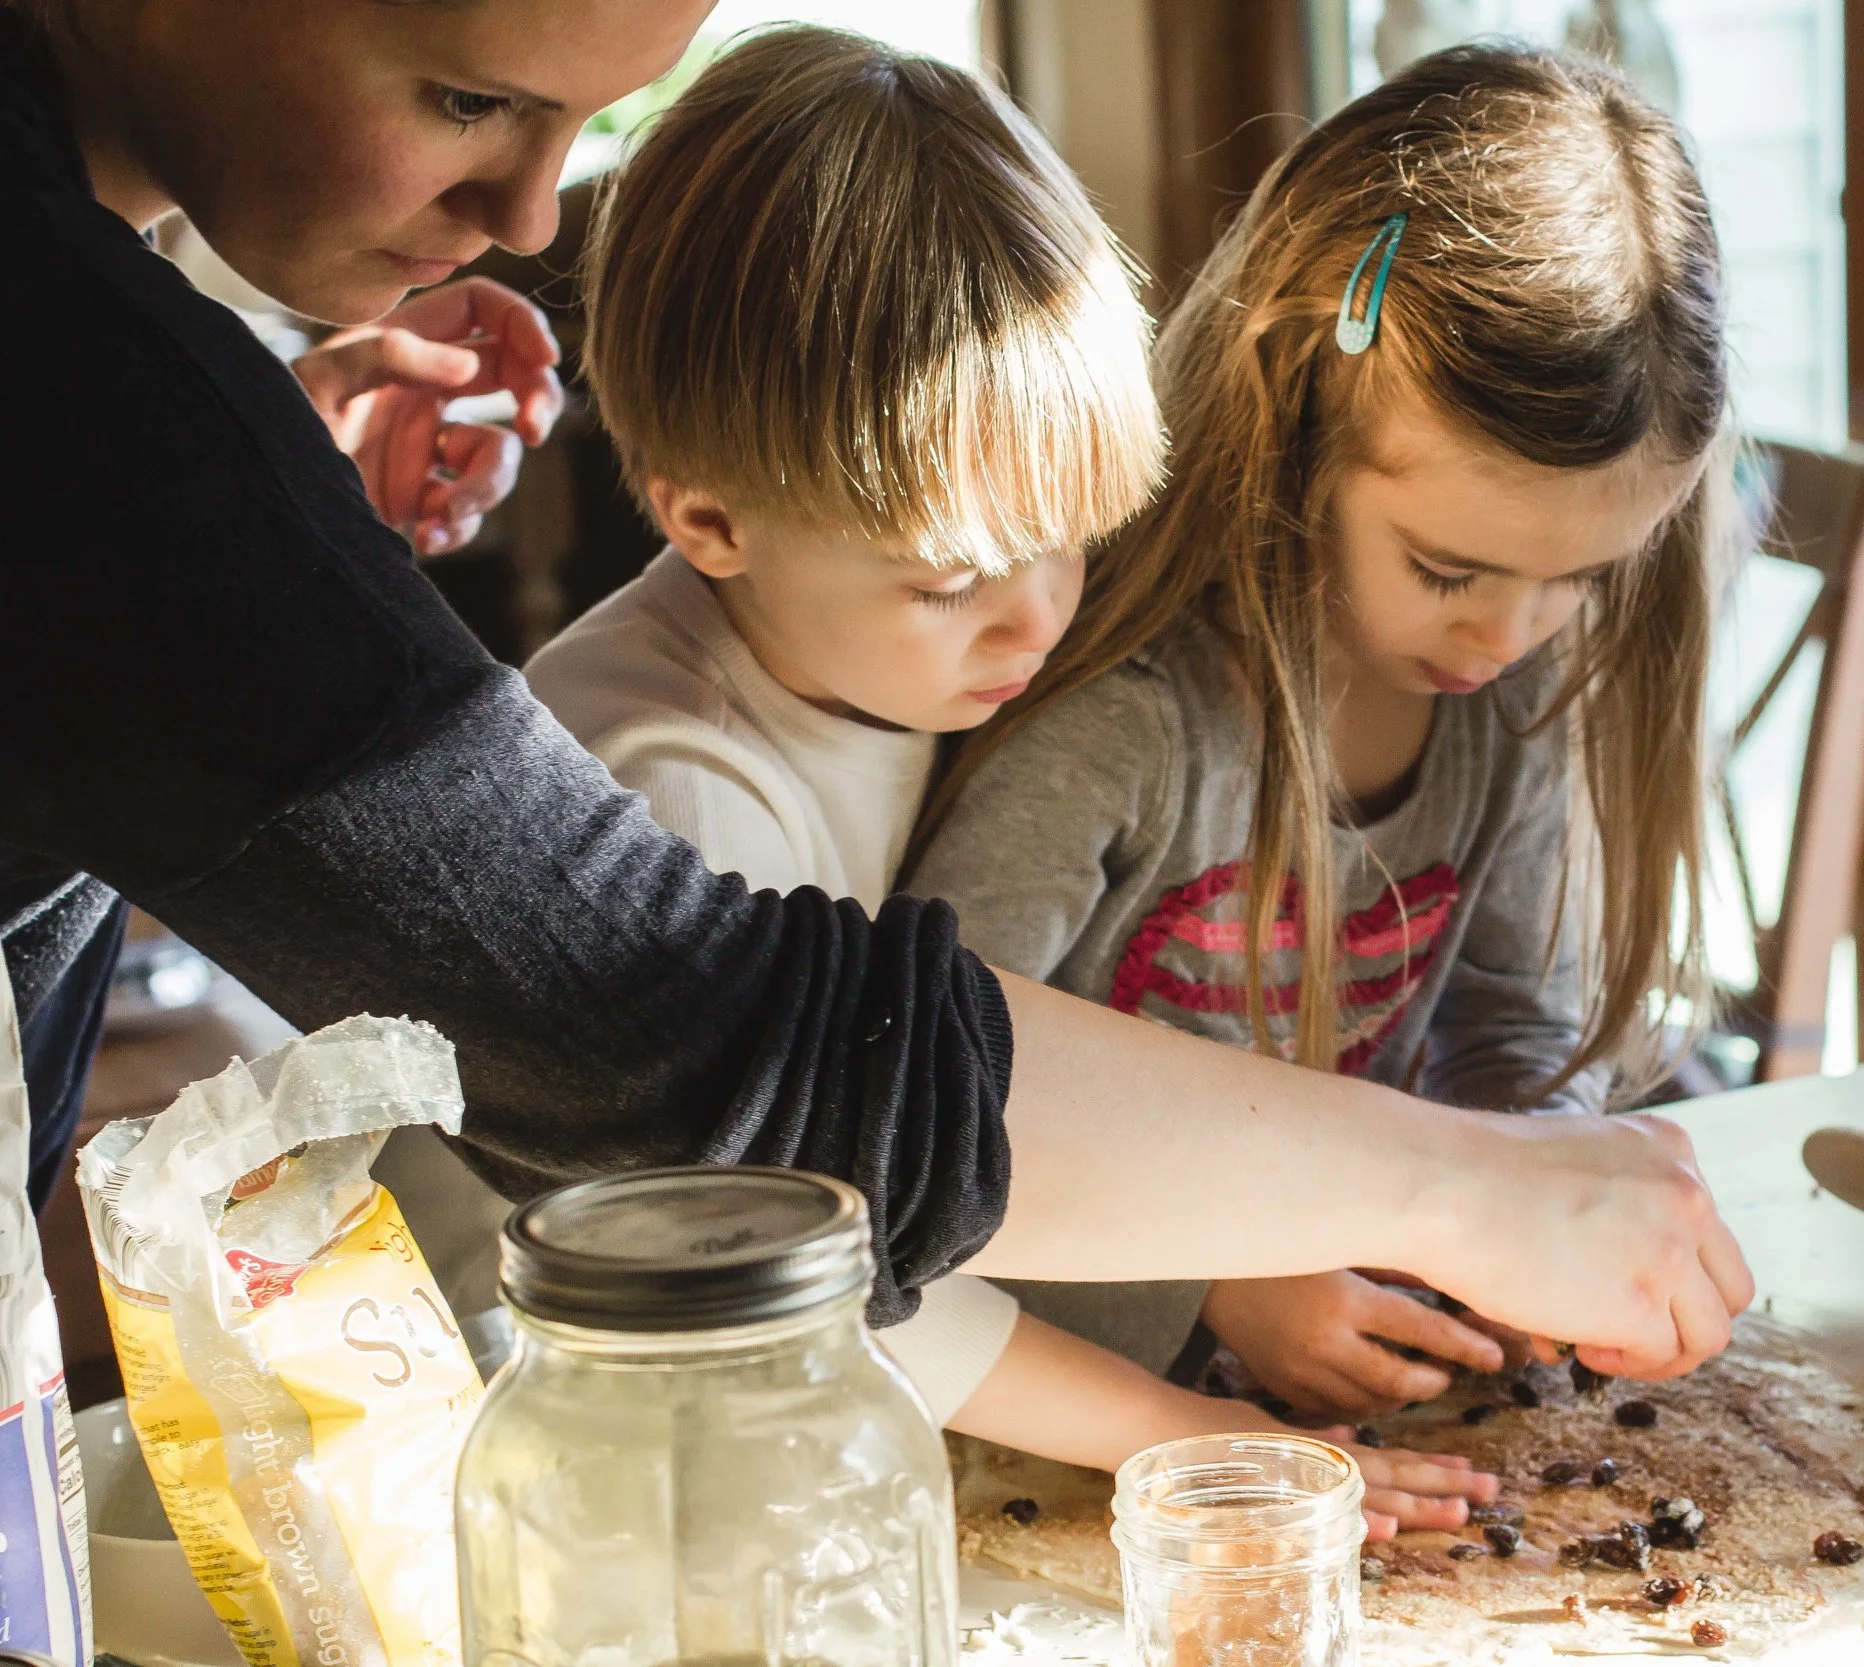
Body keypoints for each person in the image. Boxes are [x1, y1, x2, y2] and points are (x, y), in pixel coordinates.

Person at [0, 0, 1749, 1382]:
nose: (528, 217)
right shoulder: (67, 371)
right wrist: (1456, 1187)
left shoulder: (112, 344)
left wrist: (265, 533)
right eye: (468, 96)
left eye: (582, 122)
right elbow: (711, 1060)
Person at [523, 27, 1495, 1533]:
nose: (1041, 617)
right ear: (706, 519)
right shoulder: (668, 790)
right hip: (593, 1463)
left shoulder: (908, 644)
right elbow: (827, 1269)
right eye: (958, 577)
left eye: (1072, 534)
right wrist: (1182, 1434)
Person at [908, 44, 1733, 1415]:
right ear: (1292, 418)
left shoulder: (1511, 705)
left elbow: (1506, 1029)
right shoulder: (1124, 725)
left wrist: (1540, 1201)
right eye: (1450, 569)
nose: (1506, 639)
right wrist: (1223, 1279)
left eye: (1580, 580)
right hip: (1072, 1415)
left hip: (1345, 1408)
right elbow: (931, 1111)